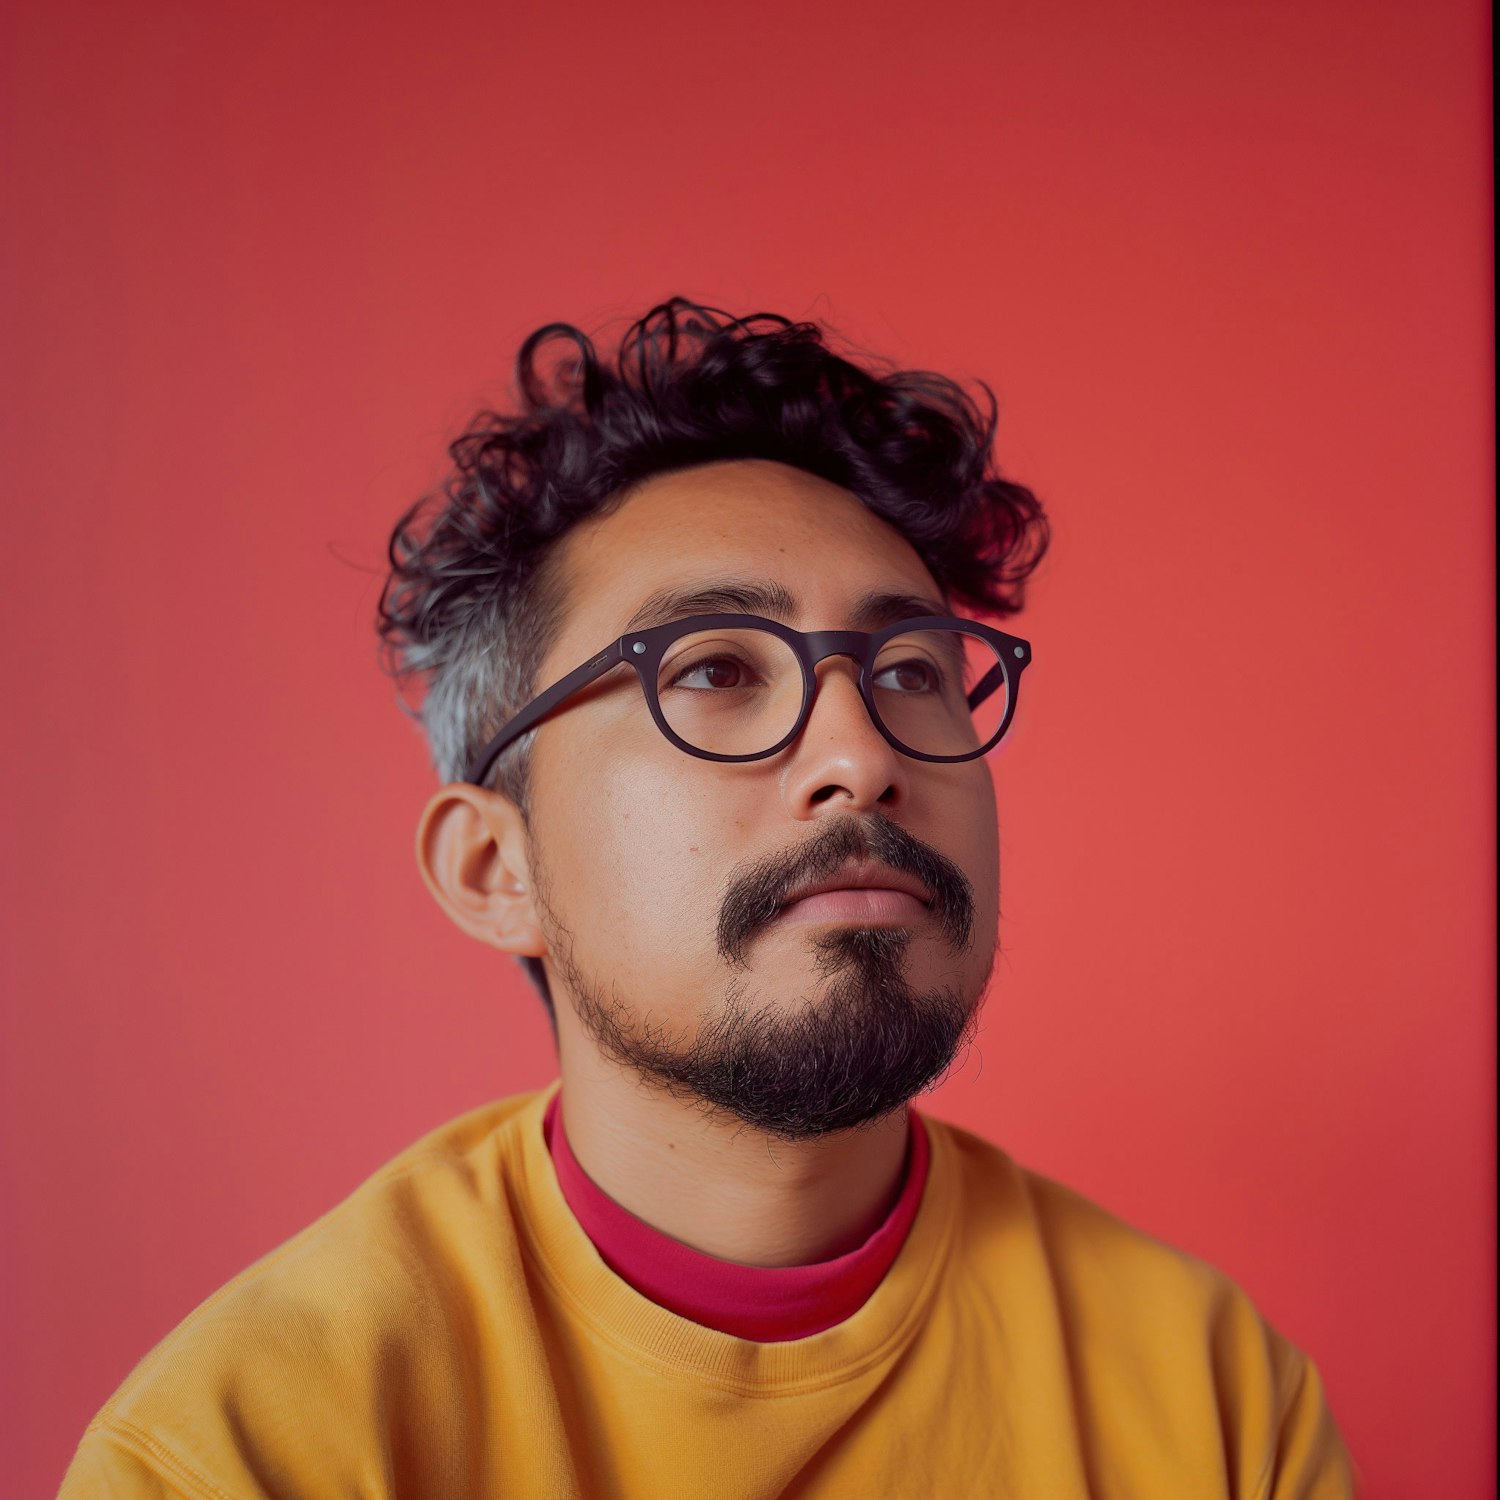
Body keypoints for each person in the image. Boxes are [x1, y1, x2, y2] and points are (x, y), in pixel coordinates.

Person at [60, 297, 1356, 1497]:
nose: (861, 758)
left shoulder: (1213, 1401)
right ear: (494, 867)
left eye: (911, 669)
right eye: (717, 668)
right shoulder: (249, 1451)